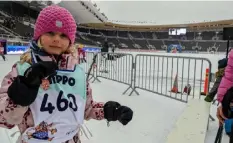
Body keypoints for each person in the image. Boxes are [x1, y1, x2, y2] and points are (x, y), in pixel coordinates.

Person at [0, 5, 133, 143]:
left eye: (63, 35)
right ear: (39, 36)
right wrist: (18, 97)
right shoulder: (22, 70)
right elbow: (4, 119)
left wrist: (107, 111)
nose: (57, 39)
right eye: (50, 33)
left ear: (70, 41)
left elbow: (86, 109)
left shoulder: (76, 73)